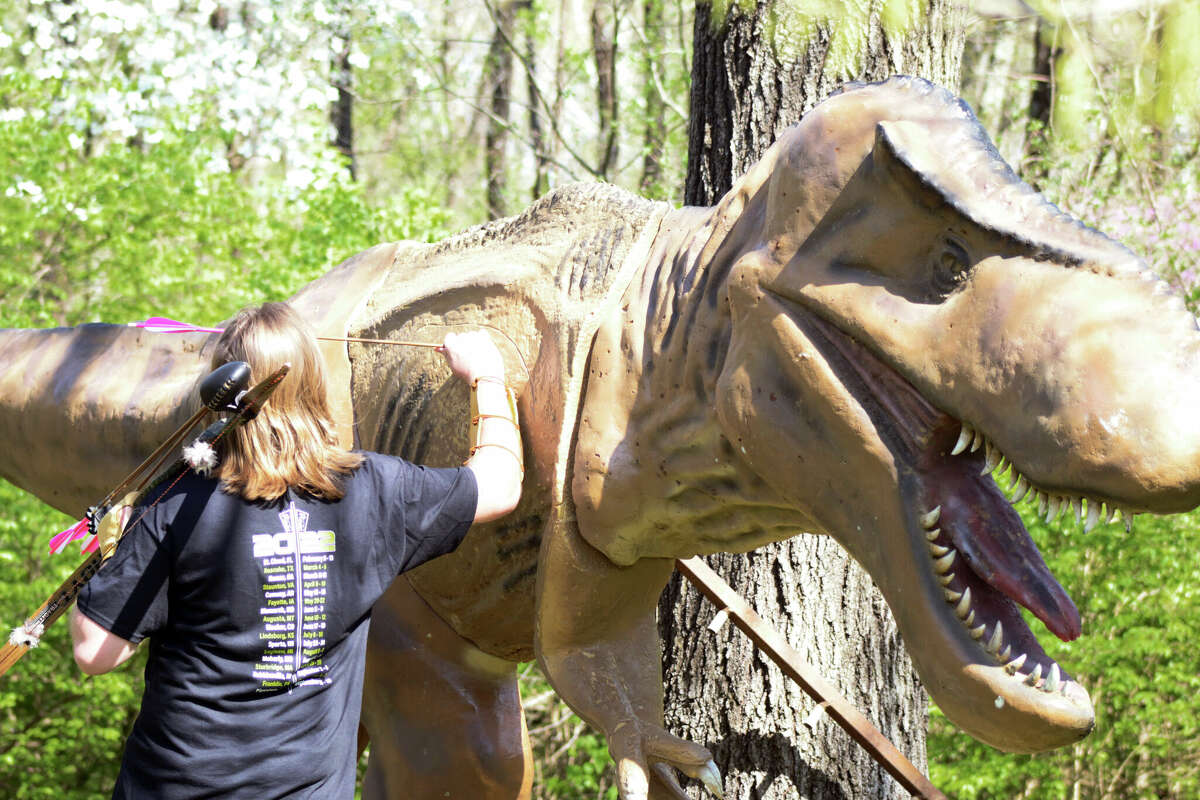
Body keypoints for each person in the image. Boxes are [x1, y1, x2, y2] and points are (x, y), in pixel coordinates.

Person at [68, 302, 523, 799]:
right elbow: (499, 485)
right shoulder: (373, 490)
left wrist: (114, 545)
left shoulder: (174, 504)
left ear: (221, 391)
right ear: (313, 384)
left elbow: (95, 652)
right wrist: (487, 376)